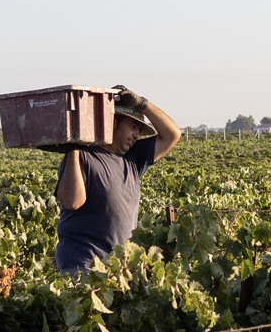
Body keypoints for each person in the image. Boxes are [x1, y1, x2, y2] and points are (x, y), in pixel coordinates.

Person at [54, 86, 181, 274]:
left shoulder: (134, 159)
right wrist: (73, 149)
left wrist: (142, 104)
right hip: (82, 266)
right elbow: (72, 202)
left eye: (139, 129)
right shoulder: (83, 157)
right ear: (112, 123)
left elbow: (172, 135)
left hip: (120, 267)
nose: (137, 135)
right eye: (133, 126)